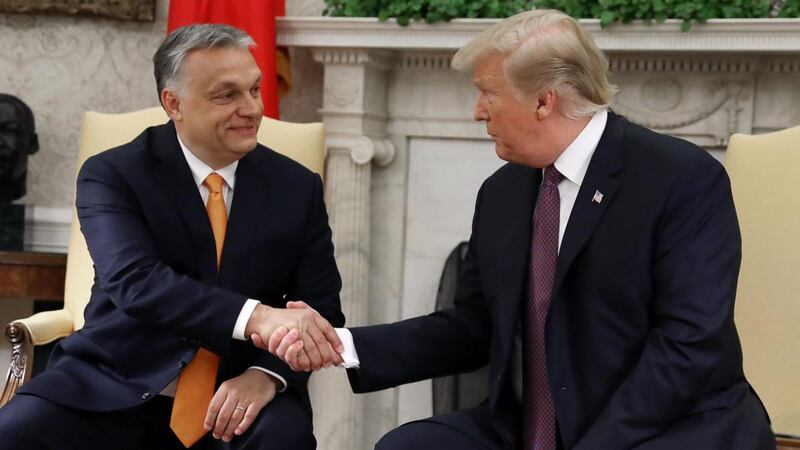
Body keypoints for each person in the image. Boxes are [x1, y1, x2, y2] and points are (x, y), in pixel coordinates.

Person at [267, 9, 775, 450]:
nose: (477, 111)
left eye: (488, 93)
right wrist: (342, 344)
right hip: (530, 427)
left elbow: (688, 348)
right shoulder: (503, 193)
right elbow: (471, 327)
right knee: (407, 446)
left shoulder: (681, 178)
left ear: (544, 101)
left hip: (661, 428)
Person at [0, 24, 344, 450]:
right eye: (227, 95)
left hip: (237, 390)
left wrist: (265, 376)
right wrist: (260, 317)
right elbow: (136, 282)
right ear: (174, 103)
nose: (252, 108)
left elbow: (322, 308)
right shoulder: (113, 174)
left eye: (254, 89)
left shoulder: (297, 187)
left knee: (283, 439)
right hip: (115, 380)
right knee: (14, 432)